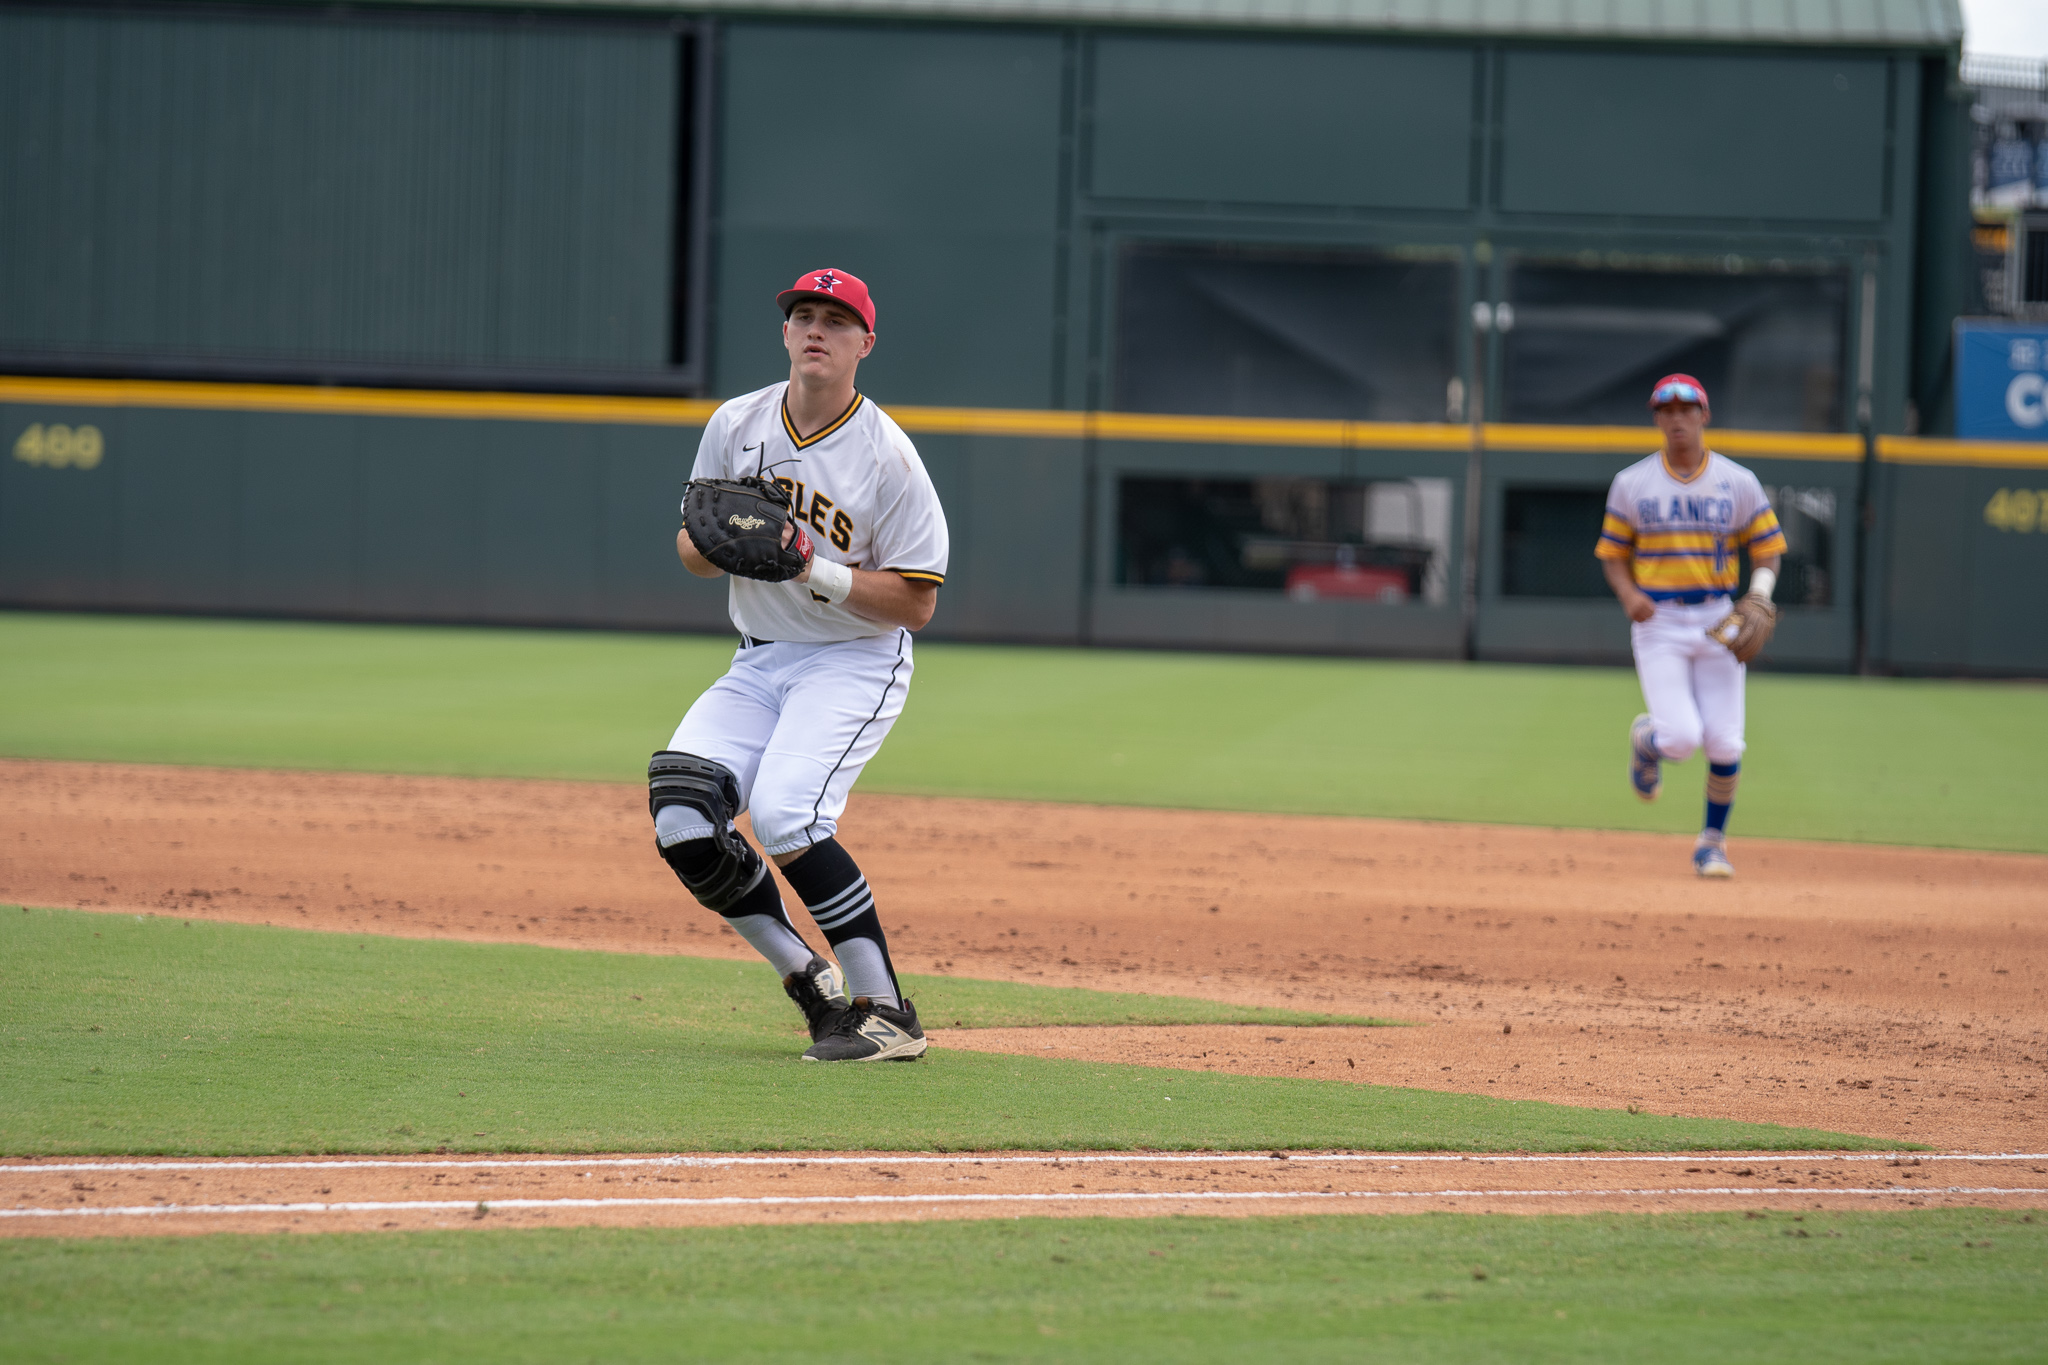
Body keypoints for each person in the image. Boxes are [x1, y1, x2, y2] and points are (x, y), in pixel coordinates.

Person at [648, 268, 948, 1060]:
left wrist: (811, 565)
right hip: (758, 659)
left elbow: (918, 603)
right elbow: (691, 552)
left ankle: (889, 1013)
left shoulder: (888, 457)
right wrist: (727, 538)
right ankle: (809, 982)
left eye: (837, 320)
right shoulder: (736, 422)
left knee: (787, 816)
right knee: (682, 816)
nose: (817, 329)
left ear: (864, 344)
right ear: (785, 333)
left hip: (852, 659)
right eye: (804, 315)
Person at [1595, 374, 1786, 878]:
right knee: (1680, 740)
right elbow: (1613, 553)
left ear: (1704, 415)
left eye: (1686, 408)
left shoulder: (1737, 480)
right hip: (1659, 621)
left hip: (1719, 617)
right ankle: (1648, 741)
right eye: (1667, 410)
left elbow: (1767, 547)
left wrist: (1759, 594)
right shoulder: (1632, 483)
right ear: (1657, 418)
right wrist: (1628, 594)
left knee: (1725, 743)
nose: (1677, 417)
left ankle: (1712, 843)